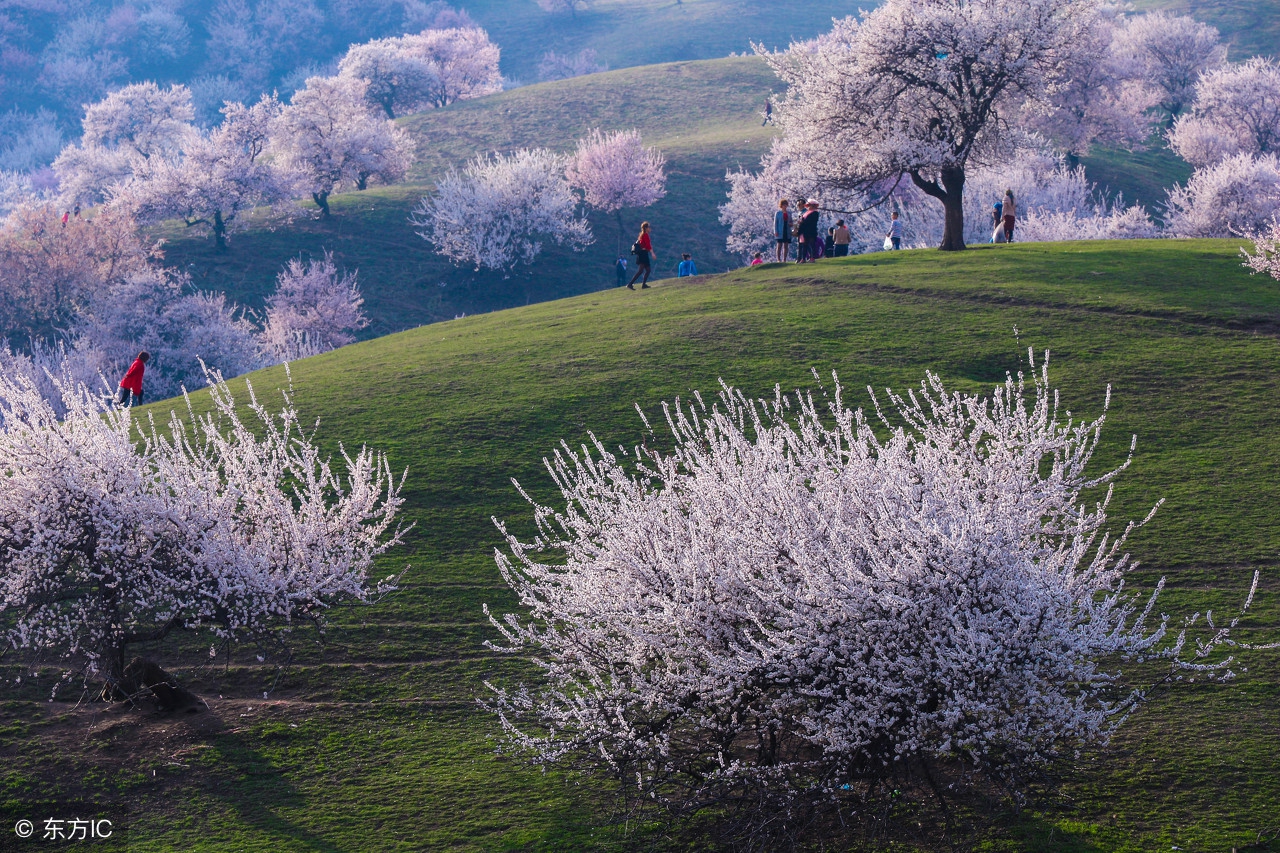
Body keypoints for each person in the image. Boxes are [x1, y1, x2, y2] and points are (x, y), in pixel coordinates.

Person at [627, 222, 656, 289]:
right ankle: (630, 284)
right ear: (646, 228)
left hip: (643, 253)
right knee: (641, 270)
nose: (650, 229)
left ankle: (643, 284)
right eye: (649, 227)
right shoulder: (645, 235)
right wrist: (652, 253)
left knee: (647, 270)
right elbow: (648, 245)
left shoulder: (642, 235)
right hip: (643, 254)